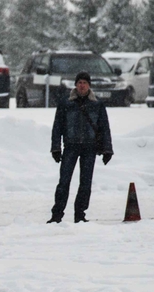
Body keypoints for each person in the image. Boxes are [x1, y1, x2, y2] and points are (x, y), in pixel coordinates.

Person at [47, 72, 113, 224]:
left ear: (89, 85)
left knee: (85, 182)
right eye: (79, 82)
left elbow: (104, 127)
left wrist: (107, 149)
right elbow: (57, 126)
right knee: (64, 181)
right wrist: (55, 147)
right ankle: (57, 214)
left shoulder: (97, 104)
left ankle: (80, 213)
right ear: (75, 85)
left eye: (84, 82)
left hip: (90, 147)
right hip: (70, 146)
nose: (82, 85)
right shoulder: (66, 103)